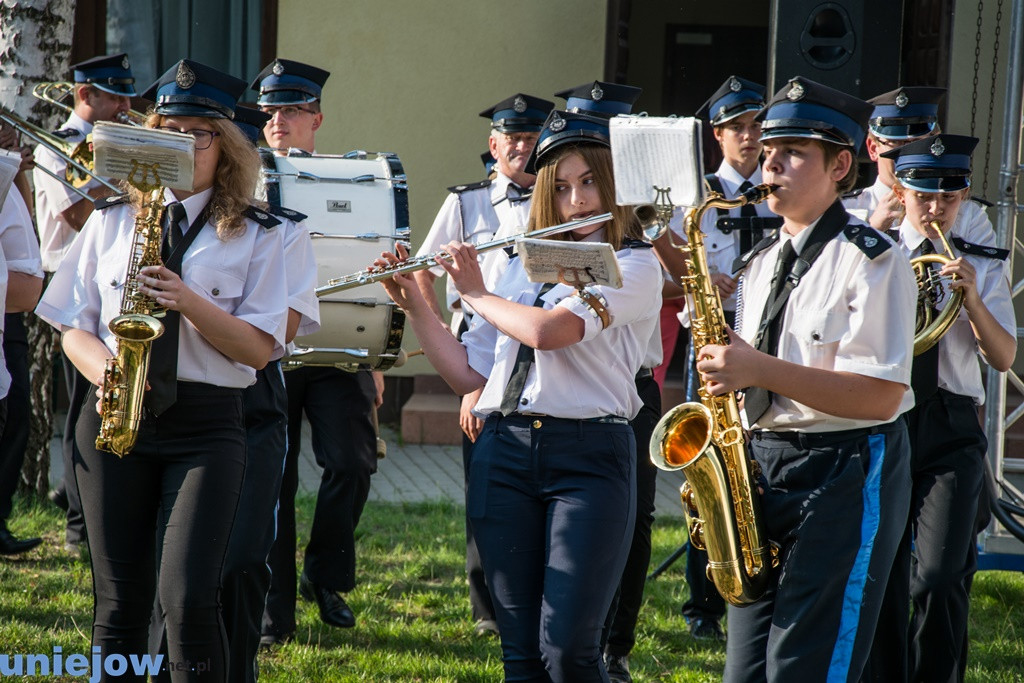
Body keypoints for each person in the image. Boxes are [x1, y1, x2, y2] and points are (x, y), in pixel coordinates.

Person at [377, 107, 662, 681]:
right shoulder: (518, 268)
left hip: (590, 457)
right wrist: (416, 306)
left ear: (614, 186)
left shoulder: (634, 264)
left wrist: (474, 292)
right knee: (521, 658)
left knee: (569, 653)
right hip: (504, 452)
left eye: (589, 183)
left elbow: (549, 332)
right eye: (560, 188)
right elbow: (468, 379)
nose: (577, 201)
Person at [35, 59, 288, 682]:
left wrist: (187, 299)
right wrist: (110, 376)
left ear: (225, 147)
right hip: (116, 412)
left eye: (197, 132)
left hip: (206, 426)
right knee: (117, 606)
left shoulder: (266, 233)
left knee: (188, 601)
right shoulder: (113, 217)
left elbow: (258, 351)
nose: (180, 143)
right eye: (166, 128)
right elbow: (73, 324)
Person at [695, 77, 917, 682]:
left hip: (845, 467)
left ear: (841, 164)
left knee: (807, 666)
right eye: (767, 151)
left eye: (791, 152)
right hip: (763, 466)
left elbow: (880, 395)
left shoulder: (872, 258)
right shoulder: (761, 261)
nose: (770, 165)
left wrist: (757, 369)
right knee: (746, 671)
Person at [870, 134, 1015, 683]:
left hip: (951, 421)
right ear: (901, 190)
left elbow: (1002, 358)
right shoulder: (874, 253)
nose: (935, 210)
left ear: (965, 196)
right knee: (880, 570)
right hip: (885, 414)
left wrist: (973, 299)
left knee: (939, 573)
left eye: (949, 198)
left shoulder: (979, 261)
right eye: (924, 196)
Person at [253, 58, 384, 645]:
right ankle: (272, 615)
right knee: (272, 480)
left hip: (337, 342)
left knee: (353, 463)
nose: (278, 120)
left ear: (317, 119)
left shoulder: (350, 178)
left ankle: (324, 574)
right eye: (271, 110)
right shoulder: (241, 176)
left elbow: (378, 257)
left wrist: (378, 355)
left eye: (292, 110)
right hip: (268, 346)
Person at [412, 92, 552, 637]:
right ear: (492, 146)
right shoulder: (466, 203)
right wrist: (443, 337)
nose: (521, 145)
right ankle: (488, 605)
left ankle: (539, 594)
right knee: (487, 488)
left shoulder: (562, 201)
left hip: (540, 357)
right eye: (510, 138)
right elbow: (425, 269)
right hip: (480, 356)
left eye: (530, 136)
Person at [670, 75, 781, 644]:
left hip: (771, 349)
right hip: (713, 347)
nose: (750, 136)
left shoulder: (782, 191)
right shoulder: (695, 196)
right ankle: (704, 600)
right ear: (717, 134)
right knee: (709, 469)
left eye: (758, 124)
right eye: (738, 126)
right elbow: (669, 268)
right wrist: (698, 288)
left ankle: (765, 575)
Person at [35, 53, 136, 556]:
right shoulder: (63, 145)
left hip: (115, 280)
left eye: (125, 95)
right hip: (67, 284)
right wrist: (116, 173)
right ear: (85, 96)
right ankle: (78, 523)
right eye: (113, 95)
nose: (124, 105)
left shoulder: (119, 140)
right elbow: (75, 215)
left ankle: (81, 503)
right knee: (81, 407)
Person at [0, 126, 44, 555]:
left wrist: (15, 175)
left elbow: (25, 253)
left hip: (8, 316)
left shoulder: (6, 175)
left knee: (16, 418)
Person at [842, 86, 945, 231]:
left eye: (916, 142)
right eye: (895, 142)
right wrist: (872, 230)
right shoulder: (844, 211)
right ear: (872, 149)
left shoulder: (966, 213)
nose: (906, 152)